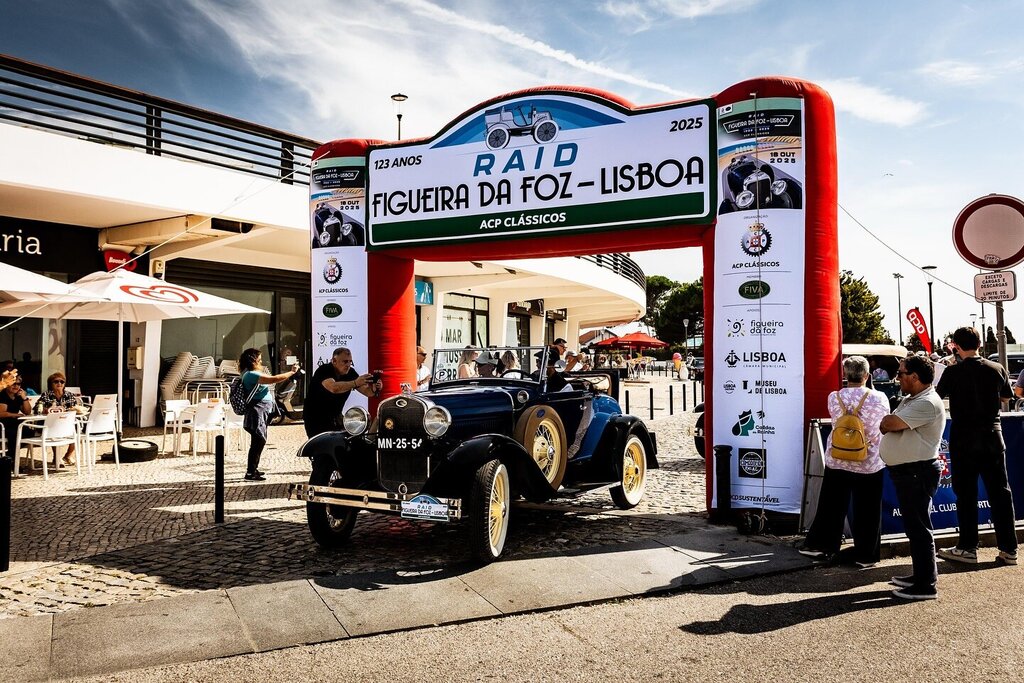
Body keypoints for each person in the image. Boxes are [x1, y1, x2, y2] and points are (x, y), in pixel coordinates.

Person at [934, 326, 1017, 566]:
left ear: (956, 346)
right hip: (993, 435)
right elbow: (1006, 397)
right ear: (980, 344)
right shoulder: (997, 368)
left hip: (964, 438)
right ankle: (1009, 549)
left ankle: (968, 547)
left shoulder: (953, 371)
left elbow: (938, 396)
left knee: (966, 494)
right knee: (1001, 493)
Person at [799, 356, 889, 566]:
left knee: (831, 505)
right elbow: (882, 423)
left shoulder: (834, 397)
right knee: (867, 509)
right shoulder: (879, 398)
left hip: (837, 457)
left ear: (845, 375)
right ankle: (865, 554)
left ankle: (821, 545)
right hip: (868, 460)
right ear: (867, 375)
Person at [879, 354, 946, 600]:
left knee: (919, 529)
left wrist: (889, 423)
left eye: (901, 373)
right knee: (915, 527)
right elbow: (888, 424)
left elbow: (889, 423)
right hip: (910, 471)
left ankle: (926, 585)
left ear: (915, 377)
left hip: (917, 472)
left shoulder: (926, 402)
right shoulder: (912, 399)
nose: (897, 378)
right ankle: (920, 576)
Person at [238, 348, 300, 481]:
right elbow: (274, 379)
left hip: (261, 410)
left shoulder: (250, 373)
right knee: (259, 440)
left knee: (258, 440)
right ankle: (250, 472)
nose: (261, 361)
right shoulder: (251, 375)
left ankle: (253, 469)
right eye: (259, 359)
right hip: (256, 411)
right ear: (253, 360)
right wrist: (291, 372)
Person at [303, 346, 381, 439]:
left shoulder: (350, 372)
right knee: (322, 444)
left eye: (350, 361)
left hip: (336, 417)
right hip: (316, 418)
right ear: (334, 361)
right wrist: (355, 382)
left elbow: (367, 392)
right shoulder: (324, 370)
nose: (348, 365)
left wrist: (375, 388)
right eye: (345, 361)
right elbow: (333, 388)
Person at [33, 371, 82, 465]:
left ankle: (68, 455)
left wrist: (67, 410)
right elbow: (37, 408)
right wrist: (45, 410)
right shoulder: (46, 395)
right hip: (50, 424)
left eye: (62, 382)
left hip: (66, 422)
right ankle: (56, 457)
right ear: (50, 384)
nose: (59, 383)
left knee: (78, 431)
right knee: (54, 430)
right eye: (56, 382)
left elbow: (74, 408)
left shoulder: (69, 395)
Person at [0, 373, 32, 461]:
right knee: (14, 433)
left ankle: (9, 456)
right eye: (13, 384)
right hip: (2, 425)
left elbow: (27, 412)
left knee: (29, 432)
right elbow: (1, 413)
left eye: (18, 384)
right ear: (7, 384)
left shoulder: (18, 396)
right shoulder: (2, 395)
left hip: (13, 424)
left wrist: (24, 398)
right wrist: (16, 415)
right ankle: (11, 460)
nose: (16, 386)